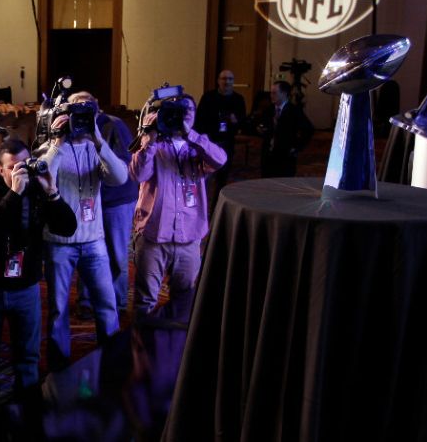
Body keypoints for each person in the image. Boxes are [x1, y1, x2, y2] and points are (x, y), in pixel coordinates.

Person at [0, 138, 77, 437]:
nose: (20, 173)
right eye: (13, 168)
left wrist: (51, 191)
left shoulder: (39, 189)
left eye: (24, 166)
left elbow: (67, 227)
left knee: (27, 355)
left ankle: (27, 406)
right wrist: (14, 192)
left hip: (26, 286)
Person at [39, 103, 127, 371]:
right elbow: (42, 177)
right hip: (59, 243)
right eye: (72, 115)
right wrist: (57, 142)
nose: (78, 121)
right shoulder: (48, 149)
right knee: (58, 310)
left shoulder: (95, 148)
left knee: (106, 303)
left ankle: (110, 357)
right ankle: (59, 366)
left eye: (84, 116)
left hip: (93, 241)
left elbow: (120, 177)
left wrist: (98, 141)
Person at [130, 94, 226, 322]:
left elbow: (220, 160)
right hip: (154, 237)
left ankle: (176, 350)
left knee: (184, 300)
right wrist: (149, 140)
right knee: (145, 301)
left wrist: (190, 135)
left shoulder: (197, 146)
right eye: (174, 112)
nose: (181, 117)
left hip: (189, 239)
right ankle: (142, 349)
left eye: (187, 112)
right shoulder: (154, 145)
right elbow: (138, 174)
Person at [68, 91, 139, 317]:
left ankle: (118, 301)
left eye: (87, 104)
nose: (83, 109)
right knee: (87, 251)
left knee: (117, 253)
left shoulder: (112, 125)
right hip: (87, 199)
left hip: (115, 198)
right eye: (78, 106)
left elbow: (125, 163)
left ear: (96, 106)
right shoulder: (70, 127)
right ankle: (87, 301)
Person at [194, 69, 246, 214]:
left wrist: (236, 121)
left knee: (222, 179)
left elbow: (243, 123)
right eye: (224, 79)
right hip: (209, 143)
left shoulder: (238, 99)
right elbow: (199, 121)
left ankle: (216, 210)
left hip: (227, 142)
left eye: (230, 79)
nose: (227, 82)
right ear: (218, 81)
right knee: (204, 179)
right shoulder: (208, 97)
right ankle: (199, 209)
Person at [257, 81, 315, 178]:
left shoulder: (294, 111)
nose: (271, 96)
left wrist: (297, 147)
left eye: (274, 93)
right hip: (268, 155)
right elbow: (262, 126)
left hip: (285, 155)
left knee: (283, 183)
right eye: (271, 93)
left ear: (284, 94)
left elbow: (308, 129)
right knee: (266, 183)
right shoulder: (269, 110)